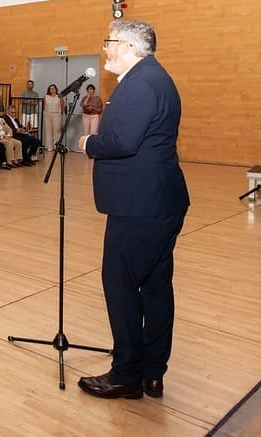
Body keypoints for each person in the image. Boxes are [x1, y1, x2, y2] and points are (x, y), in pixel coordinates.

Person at [77, 20, 189, 400]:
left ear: (127, 46)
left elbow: (122, 141)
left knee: (121, 284)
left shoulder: (140, 83)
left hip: (139, 206)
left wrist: (89, 142)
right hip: (158, 202)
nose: (105, 49)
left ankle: (126, 373)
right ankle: (153, 371)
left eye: (109, 42)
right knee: (156, 286)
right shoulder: (155, 78)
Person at [43, 83, 64, 151]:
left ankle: (56, 146)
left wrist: (61, 112)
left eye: (53, 88)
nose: (52, 90)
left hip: (57, 115)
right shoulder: (46, 96)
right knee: (48, 130)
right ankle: (49, 147)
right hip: (47, 114)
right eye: (51, 88)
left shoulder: (59, 96)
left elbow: (62, 105)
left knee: (57, 131)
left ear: (56, 89)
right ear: (49, 90)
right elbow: (44, 105)